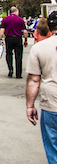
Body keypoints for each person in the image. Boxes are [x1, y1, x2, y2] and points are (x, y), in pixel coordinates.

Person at [26, 11, 57, 163]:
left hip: (52, 104)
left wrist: (29, 105)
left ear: (49, 28)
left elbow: (34, 80)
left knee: (53, 148)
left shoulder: (39, 48)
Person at [0, 6, 28, 79]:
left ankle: (10, 69)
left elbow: (2, 30)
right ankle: (18, 73)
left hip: (9, 38)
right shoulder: (20, 20)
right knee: (18, 56)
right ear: (16, 12)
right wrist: (26, 40)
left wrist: (0, 38)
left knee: (9, 54)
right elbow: (25, 31)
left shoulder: (5, 19)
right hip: (17, 38)